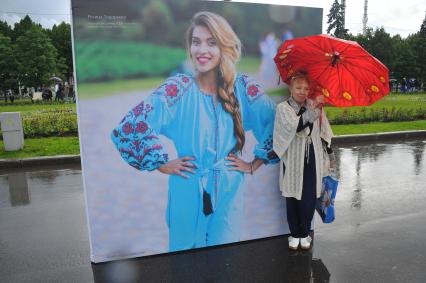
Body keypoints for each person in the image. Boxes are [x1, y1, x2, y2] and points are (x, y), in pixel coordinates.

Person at [111, 11, 279, 252]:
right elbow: (131, 125)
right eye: (196, 41)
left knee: (225, 258)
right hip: (187, 185)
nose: (202, 50)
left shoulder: (242, 87)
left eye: (212, 42)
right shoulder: (177, 88)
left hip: (229, 187)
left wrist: (255, 163)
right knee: (185, 258)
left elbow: (277, 121)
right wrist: (160, 162)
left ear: (224, 47)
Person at [273, 71, 334, 251]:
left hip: (312, 158)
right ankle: (294, 233)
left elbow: (325, 132)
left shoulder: (313, 105)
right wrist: (315, 110)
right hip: (292, 159)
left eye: (306, 88)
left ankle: (305, 232)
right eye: (298, 87)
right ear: (291, 89)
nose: (302, 91)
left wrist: (331, 156)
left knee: (308, 198)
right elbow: (296, 126)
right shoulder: (283, 108)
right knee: (292, 197)